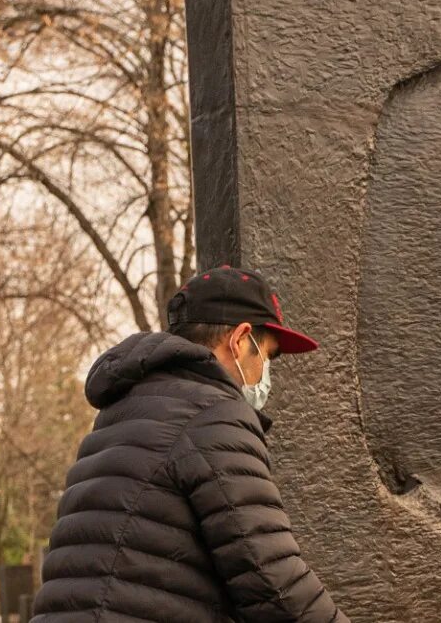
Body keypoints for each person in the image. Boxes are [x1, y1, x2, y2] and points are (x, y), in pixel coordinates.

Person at [32, 266, 348, 623]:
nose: (266, 373)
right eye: (268, 357)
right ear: (241, 339)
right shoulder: (213, 415)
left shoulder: (121, 414)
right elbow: (271, 578)